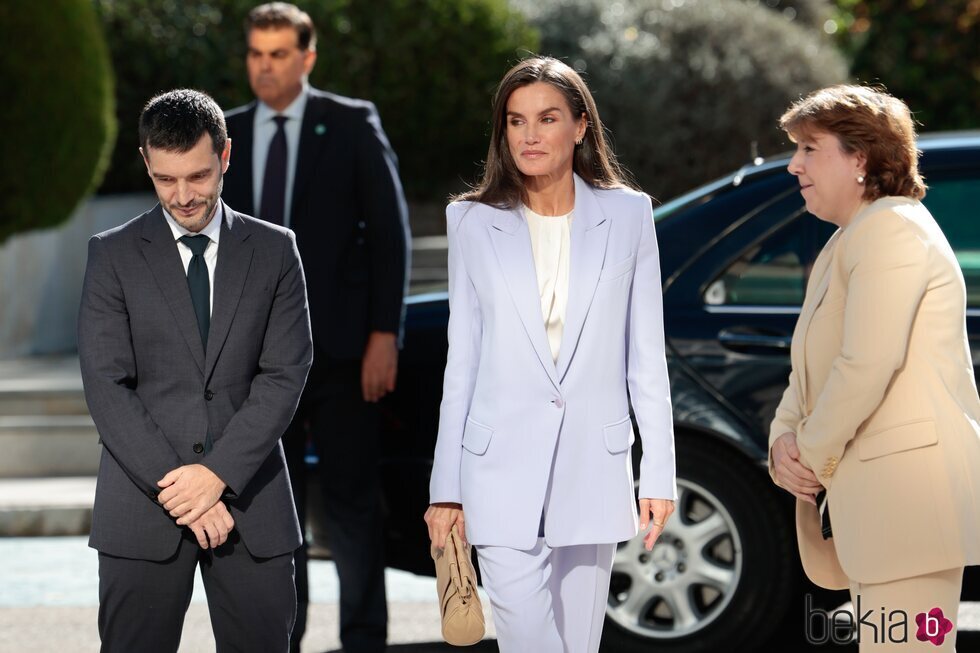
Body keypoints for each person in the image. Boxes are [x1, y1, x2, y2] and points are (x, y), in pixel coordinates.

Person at [423, 56, 676, 652]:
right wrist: (445, 489)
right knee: (531, 642)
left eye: (547, 118)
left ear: (581, 126)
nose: (529, 135)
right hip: (495, 471)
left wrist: (657, 470)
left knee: (578, 644)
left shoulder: (629, 214)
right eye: (515, 121)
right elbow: (462, 361)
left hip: (594, 466)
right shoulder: (470, 221)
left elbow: (645, 358)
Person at [78, 89, 312, 652]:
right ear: (147, 163)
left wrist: (217, 475)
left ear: (225, 156)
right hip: (140, 506)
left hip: (251, 505)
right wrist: (183, 491)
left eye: (199, 177)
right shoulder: (111, 254)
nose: (183, 196)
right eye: (166, 180)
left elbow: (285, 371)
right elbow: (107, 385)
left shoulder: (276, 250)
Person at [221, 4, 411, 652]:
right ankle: (282, 638)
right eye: (255, 54)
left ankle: (364, 639)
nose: (264, 66)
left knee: (354, 508)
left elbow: (389, 233)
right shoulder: (226, 133)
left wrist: (385, 333)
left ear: (307, 57)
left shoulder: (351, 124)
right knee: (273, 514)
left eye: (278, 54)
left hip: (340, 353)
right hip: (253, 364)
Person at [768, 85, 980, 651]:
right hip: (878, 514)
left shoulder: (893, 229)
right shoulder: (847, 241)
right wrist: (781, 442)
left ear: (860, 157)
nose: (794, 165)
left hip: (910, 510)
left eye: (810, 149)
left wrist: (807, 454)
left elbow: (867, 364)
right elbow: (808, 373)